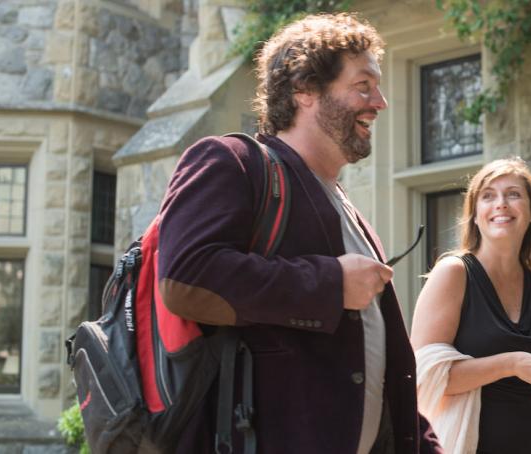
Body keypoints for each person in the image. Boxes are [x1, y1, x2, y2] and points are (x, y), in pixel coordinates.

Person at [156, 13, 442, 453]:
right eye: (363, 85)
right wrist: (329, 284)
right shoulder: (231, 161)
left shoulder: (347, 210)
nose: (380, 101)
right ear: (305, 89)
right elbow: (186, 277)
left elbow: (384, 368)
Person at [411, 158, 531, 454]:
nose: (501, 203)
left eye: (514, 194)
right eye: (488, 196)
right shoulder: (453, 273)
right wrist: (511, 363)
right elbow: (421, 376)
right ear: (475, 216)